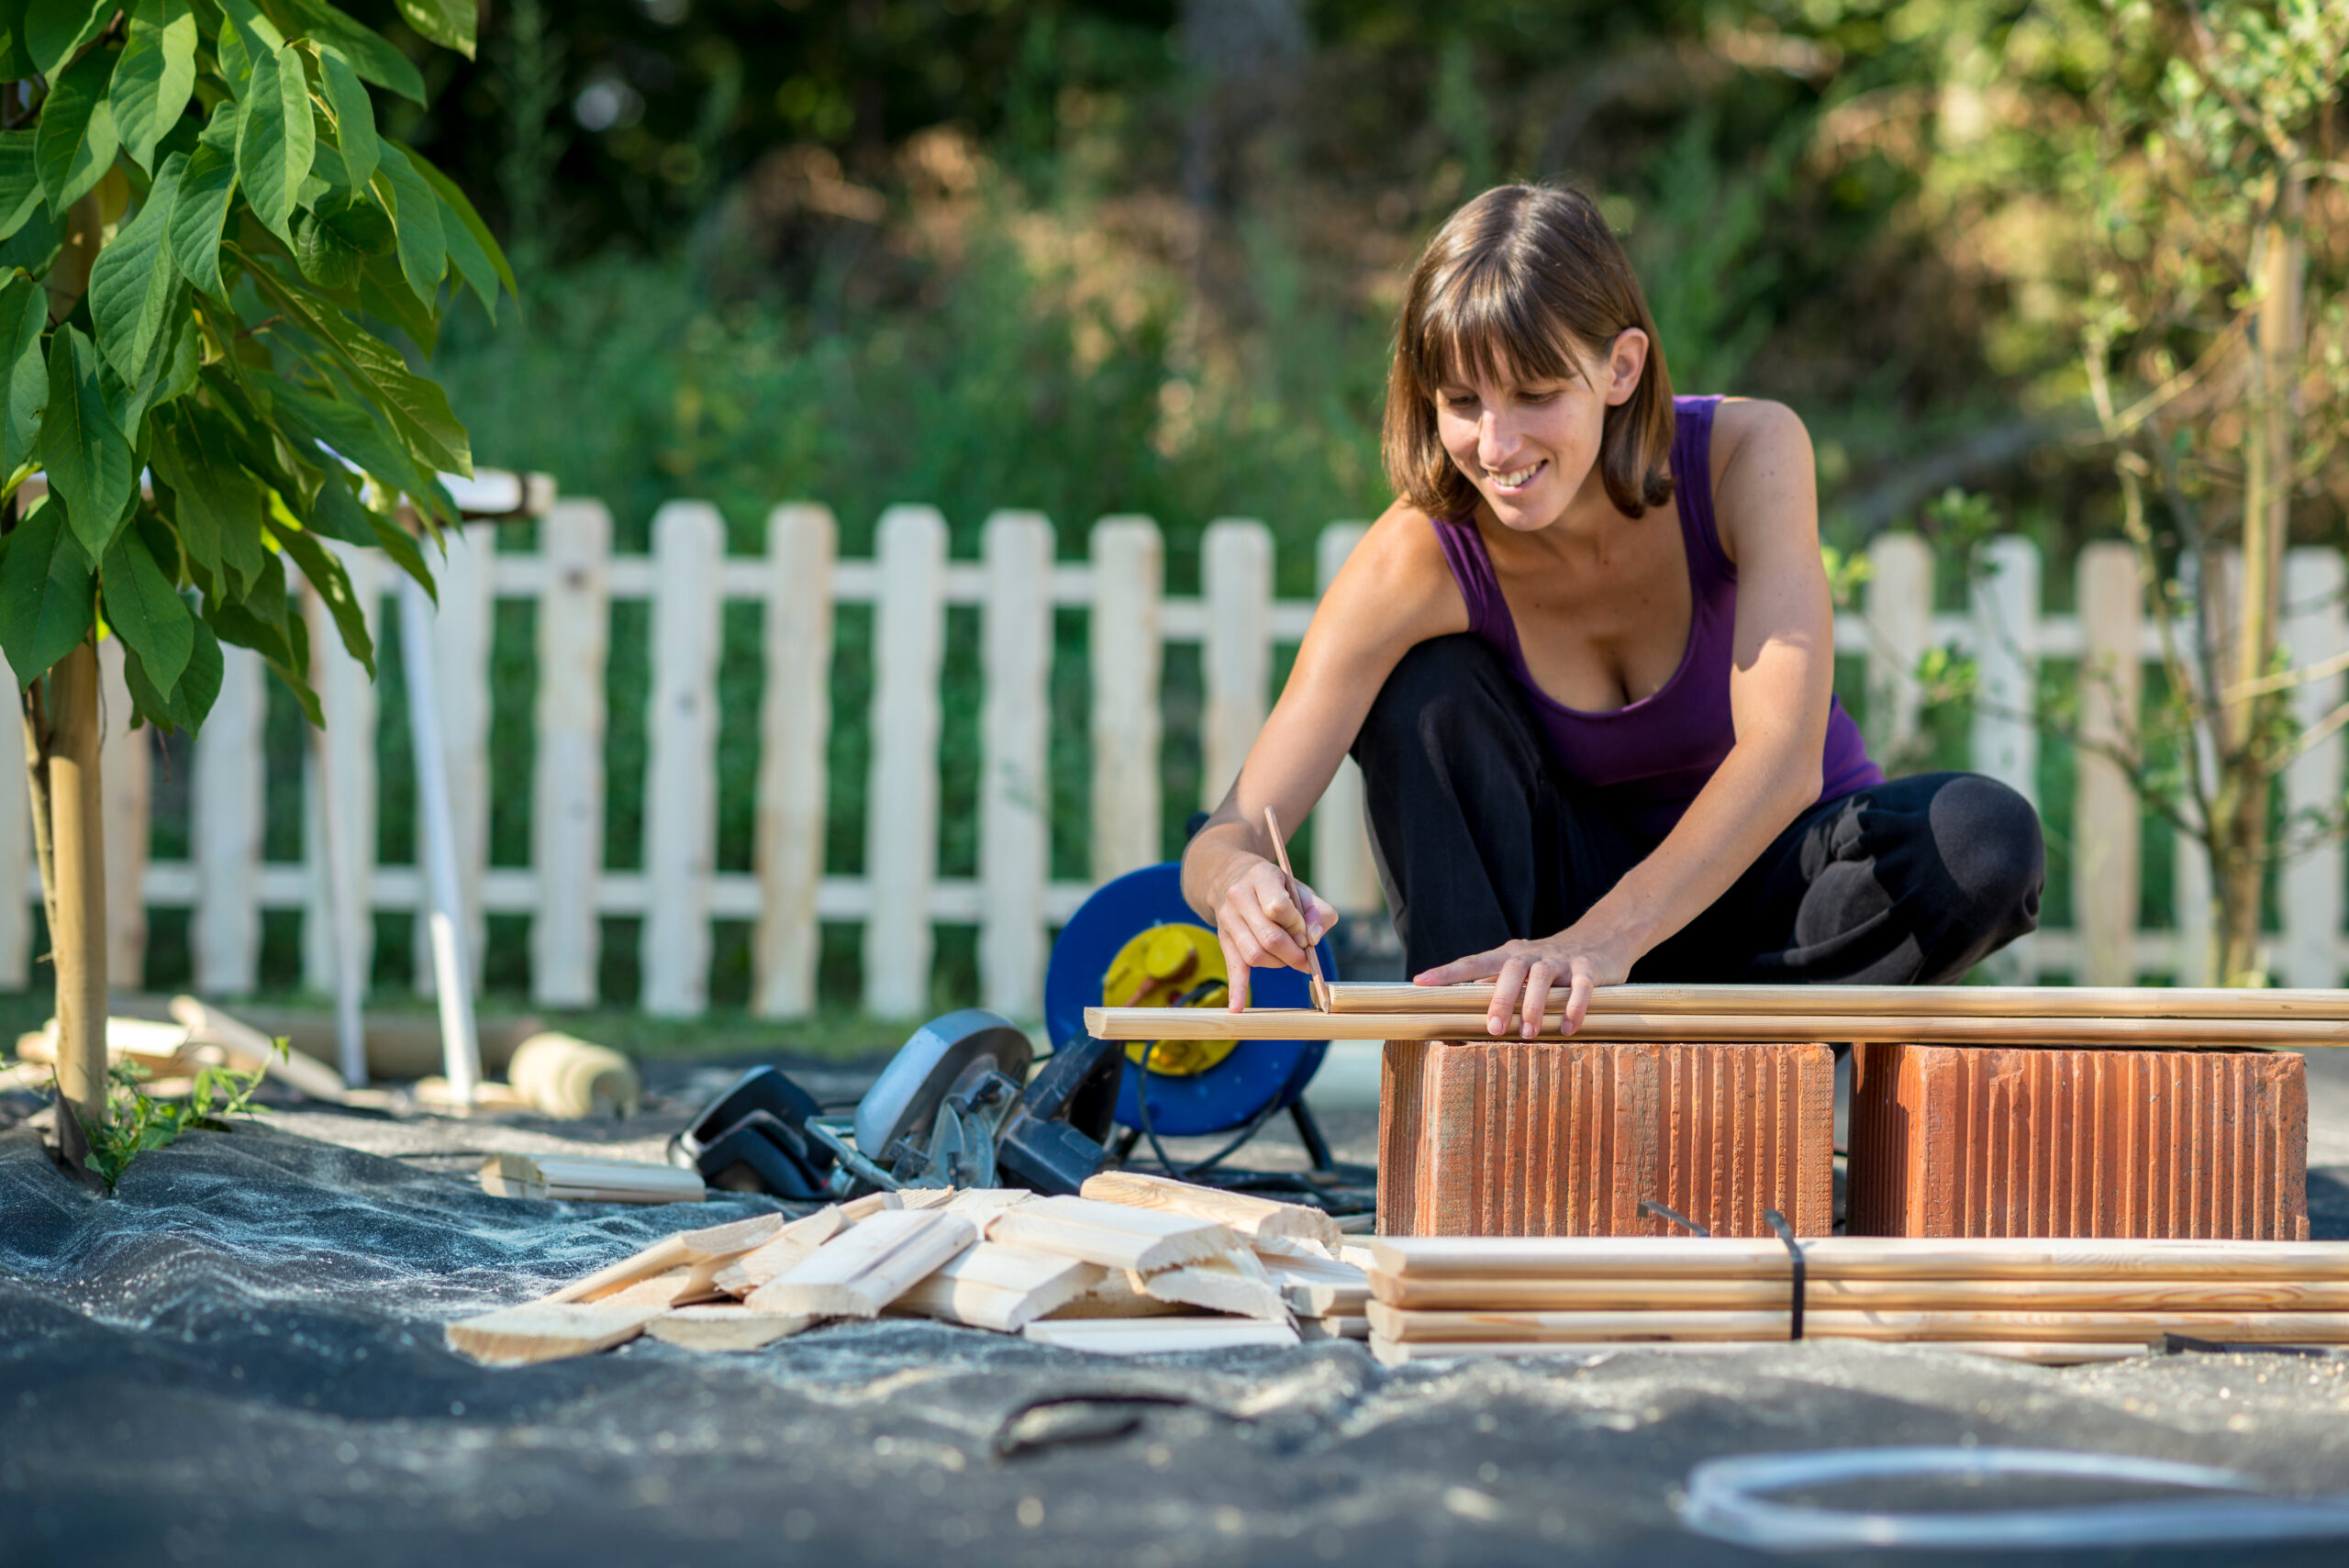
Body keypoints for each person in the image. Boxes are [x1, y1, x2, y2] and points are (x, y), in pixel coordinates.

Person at [1178, 183, 2043, 1040]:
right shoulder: (1418, 554)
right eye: (1463, 402)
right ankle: (1494, 1075)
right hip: (1545, 956)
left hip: (1774, 915)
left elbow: (1785, 762)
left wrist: (1605, 942)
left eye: (1535, 394)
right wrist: (1236, 886)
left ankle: (1723, 1061)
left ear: (1620, 368)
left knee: (1984, 839)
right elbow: (1230, 834)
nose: (1498, 444)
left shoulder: (1749, 452)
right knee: (1424, 689)